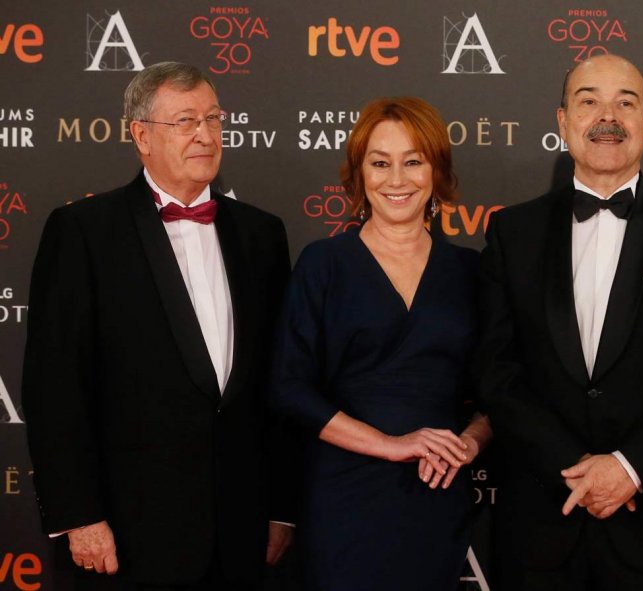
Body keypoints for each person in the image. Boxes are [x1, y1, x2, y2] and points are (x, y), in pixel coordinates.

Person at [21, 62, 295, 590]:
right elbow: (54, 389)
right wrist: (78, 516)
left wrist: (281, 508)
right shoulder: (83, 231)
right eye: (186, 121)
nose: (205, 134)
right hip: (127, 535)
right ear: (141, 135)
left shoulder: (263, 234)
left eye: (214, 119)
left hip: (241, 532)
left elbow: (276, 385)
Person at [474, 54, 643, 590]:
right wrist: (574, 468)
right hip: (542, 527)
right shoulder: (512, 233)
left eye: (626, 102)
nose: (607, 116)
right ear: (562, 120)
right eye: (588, 100)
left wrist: (629, 467)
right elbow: (495, 371)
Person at [270, 96, 492, 590]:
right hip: (344, 497)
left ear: (436, 171)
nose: (397, 179)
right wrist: (391, 445)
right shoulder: (323, 264)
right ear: (358, 174)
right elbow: (289, 389)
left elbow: (499, 391)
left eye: (413, 161)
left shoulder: (471, 272)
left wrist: (469, 443)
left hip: (436, 495)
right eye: (380, 162)